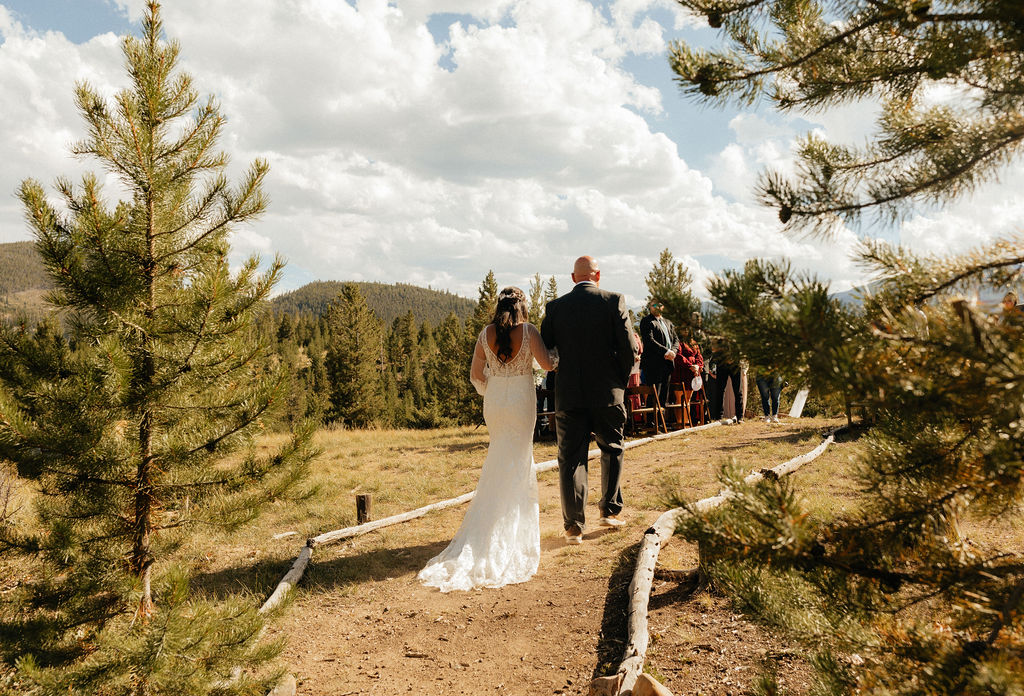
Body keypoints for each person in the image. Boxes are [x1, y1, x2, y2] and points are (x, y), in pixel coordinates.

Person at [419, 286, 556, 591]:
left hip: (495, 402)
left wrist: (493, 390)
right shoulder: (530, 331)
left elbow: (475, 375)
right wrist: (558, 355)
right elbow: (546, 365)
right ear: (522, 306)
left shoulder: (485, 333)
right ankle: (510, 532)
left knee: (498, 457)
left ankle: (488, 527)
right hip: (521, 400)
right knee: (519, 461)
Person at [541, 256, 638, 545]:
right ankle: (609, 510)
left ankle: (574, 527)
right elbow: (629, 349)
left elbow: (547, 351)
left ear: (573, 278)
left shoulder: (556, 307)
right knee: (613, 449)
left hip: (569, 394)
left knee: (570, 459)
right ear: (598, 276)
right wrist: (618, 383)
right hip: (608, 393)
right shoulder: (613, 301)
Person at [638, 301, 678, 411]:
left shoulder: (668, 322)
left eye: (660, 305)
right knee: (654, 394)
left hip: (668, 363)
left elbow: (676, 340)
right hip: (653, 364)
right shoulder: (647, 321)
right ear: (650, 307)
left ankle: (661, 423)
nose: (657, 307)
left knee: (664, 395)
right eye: (654, 305)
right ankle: (652, 423)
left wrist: (673, 351)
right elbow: (649, 341)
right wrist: (666, 352)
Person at [708, 337, 743, 423]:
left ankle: (740, 417)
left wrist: (735, 360)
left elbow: (741, 350)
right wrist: (713, 369)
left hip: (735, 365)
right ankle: (718, 417)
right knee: (719, 391)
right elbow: (714, 351)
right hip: (722, 365)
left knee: (738, 391)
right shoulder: (719, 336)